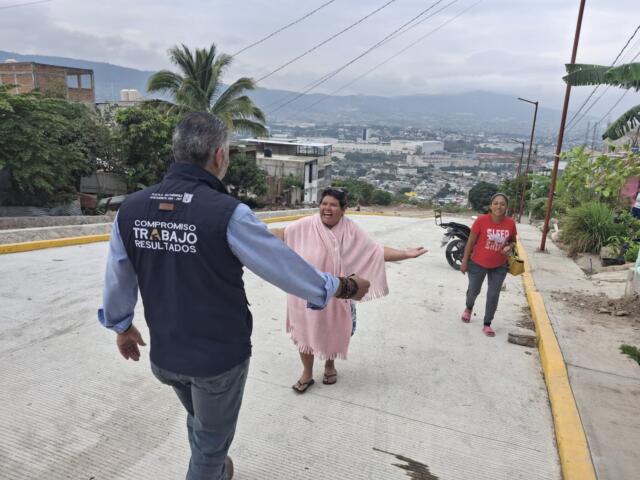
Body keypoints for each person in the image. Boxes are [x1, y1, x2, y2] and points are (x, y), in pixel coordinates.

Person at [97, 113, 370, 480]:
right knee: (211, 445)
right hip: (217, 361)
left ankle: (217, 470)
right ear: (220, 156)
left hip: (166, 356)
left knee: (203, 425)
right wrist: (344, 287)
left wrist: (122, 326)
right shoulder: (227, 213)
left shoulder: (131, 209)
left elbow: (118, 275)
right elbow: (285, 268)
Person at [272, 188, 426, 393]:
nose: (327, 208)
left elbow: (375, 252)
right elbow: (282, 234)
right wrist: (250, 232)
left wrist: (405, 253)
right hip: (305, 292)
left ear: (343, 210)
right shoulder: (305, 225)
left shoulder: (351, 230)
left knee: (333, 329)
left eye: (333, 205)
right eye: (324, 204)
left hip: (338, 291)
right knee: (303, 331)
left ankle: (329, 365)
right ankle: (307, 373)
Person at [460, 193, 517, 337]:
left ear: (506, 207)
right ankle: (468, 308)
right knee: (473, 291)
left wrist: (509, 246)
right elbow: (471, 242)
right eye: (496, 203)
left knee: (493, 295)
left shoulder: (510, 223)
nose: (499, 206)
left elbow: (512, 241)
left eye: (502, 204)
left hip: (499, 265)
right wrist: (465, 262)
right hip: (477, 263)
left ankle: (487, 323)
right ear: (491, 206)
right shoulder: (481, 221)